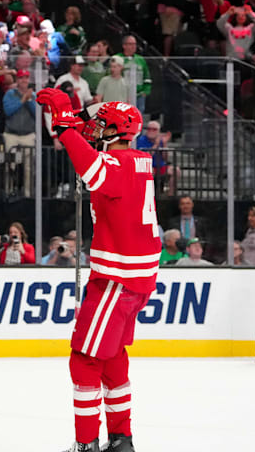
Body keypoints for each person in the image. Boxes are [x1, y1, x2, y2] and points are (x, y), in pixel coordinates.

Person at [35, 90, 160, 452]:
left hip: (115, 280)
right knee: (112, 357)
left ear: (115, 131)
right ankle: (121, 439)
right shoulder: (138, 161)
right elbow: (92, 161)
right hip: (133, 279)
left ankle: (87, 444)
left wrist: (63, 123)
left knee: (85, 359)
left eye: (100, 126)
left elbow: (87, 163)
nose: (94, 131)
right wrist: (75, 120)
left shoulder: (117, 166)